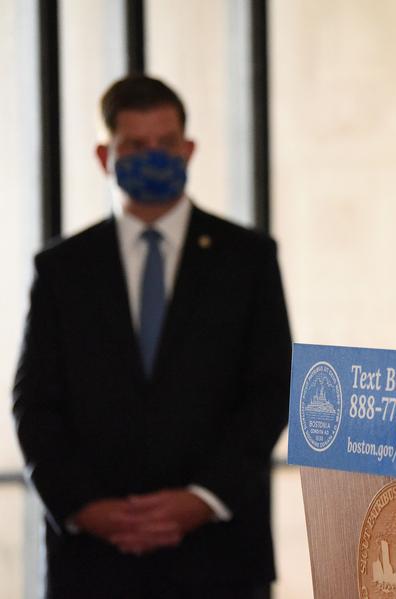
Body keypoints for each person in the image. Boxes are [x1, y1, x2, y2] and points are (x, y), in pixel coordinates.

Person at [13, 75, 291, 598]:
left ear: (189, 149)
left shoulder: (248, 259)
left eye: (166, 143)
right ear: (105, 156)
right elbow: (35, 403)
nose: (154, 156)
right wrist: (83, 507)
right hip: (93, 561)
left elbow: (271, 391)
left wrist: (203, 498)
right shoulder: (61, 268)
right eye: (136, 146)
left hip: (221, 557)